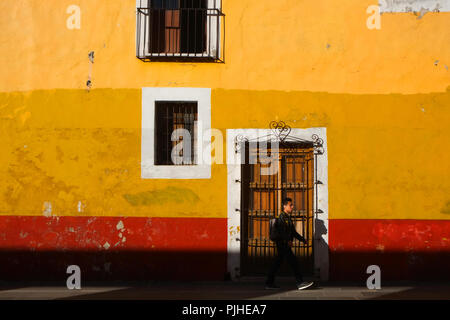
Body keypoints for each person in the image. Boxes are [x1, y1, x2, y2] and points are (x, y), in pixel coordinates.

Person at [265, 197, 314, 290]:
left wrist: (303, 239)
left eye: (292, 205)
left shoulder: (287, 218)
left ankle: (269, 283)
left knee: (278, 263)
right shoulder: (282, 217)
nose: (292, 206)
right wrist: (288, 240)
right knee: (293, 263)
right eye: (290, 205)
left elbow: (293, 232)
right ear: (284, 206)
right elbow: (281, 232)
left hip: (284, 244)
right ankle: (300, 283)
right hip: (283, 244)